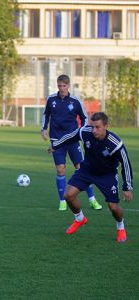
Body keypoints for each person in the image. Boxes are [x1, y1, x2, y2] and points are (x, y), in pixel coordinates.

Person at [50, 112, 133, 242]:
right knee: (68, 195)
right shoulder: (85, 131)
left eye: (97, 127)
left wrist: (127, 186)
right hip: (87, 170)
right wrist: (55, 145)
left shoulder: (115, 143)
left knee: (113, 207)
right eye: (92, 126)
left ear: (106, 126)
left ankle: (120, 226)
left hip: (107, 175)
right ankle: (79, 219)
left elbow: (126, 163)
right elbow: (70, 137)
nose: (94, 130)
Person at [41, 74, 102, 211]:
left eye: (64, 86)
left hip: (72, 139)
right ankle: (62, 200)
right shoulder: (51, 99)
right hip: (56, 139)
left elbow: (85, 118)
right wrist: (43, 129)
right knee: (60, 169)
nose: (62, 88)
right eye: (59, 86)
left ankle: (92, 199)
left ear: (68, 86)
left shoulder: (75, 101)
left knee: (81, 168)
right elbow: (46, 114)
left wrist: (82, 132)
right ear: (57, 85)